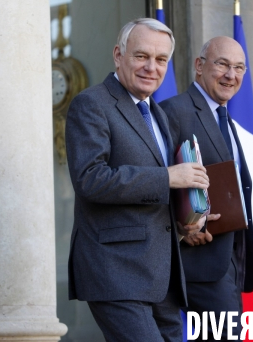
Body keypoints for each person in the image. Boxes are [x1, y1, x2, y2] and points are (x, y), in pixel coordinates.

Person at [65, 18, 209, 342]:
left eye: (161, 60)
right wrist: (167, 177)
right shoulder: (92, 104)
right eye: (141, 56)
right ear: (119, 55)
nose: (151, 67)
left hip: (164, 278)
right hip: (116, 272)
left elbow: (163, 191)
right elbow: (90, 179)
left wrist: (188, 219)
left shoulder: (160, 115)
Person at [160, 36, 253, 341]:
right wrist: (181, 228)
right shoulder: (173, 111)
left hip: (229, 257)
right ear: (199, 66)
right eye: (223, 65)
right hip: (197, 262)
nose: (232, 75)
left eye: (239, 67)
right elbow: (157, 177)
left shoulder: (226, 117)